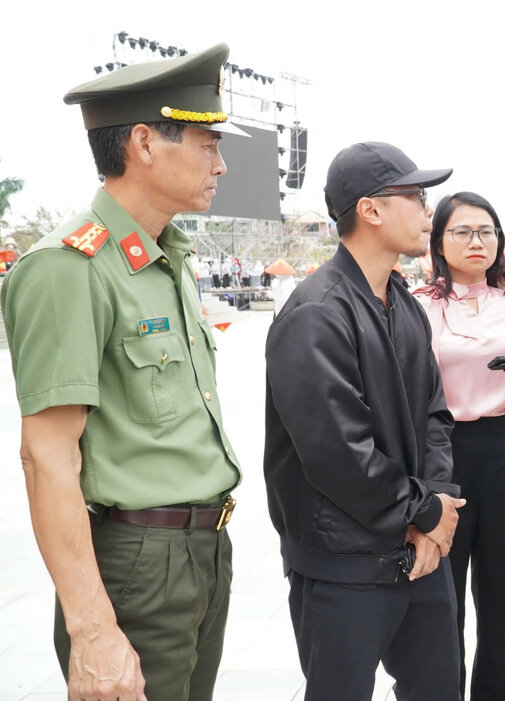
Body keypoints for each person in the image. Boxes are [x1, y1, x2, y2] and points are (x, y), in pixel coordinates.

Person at [0, 44, 245, 701]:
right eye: (205, 140)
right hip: (138, 562)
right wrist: (93, 628)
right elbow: (46, 456)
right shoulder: (68, 268)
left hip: (205, 552)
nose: (220, 163)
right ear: (143, 141)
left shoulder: (170, 259)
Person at [264, 141, 466, 700]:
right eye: (417, 196)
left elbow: (435, 416)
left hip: (420, 551)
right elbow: (336, 452)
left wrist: (438, 510)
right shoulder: (317, 313)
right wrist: (423, 510)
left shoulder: (402, 302)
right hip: (344, 564)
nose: (429, 211)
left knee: (438, 689)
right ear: (371, 210)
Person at [413, 192, 505, 700]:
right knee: (440, 602)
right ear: (439, 241)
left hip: (503, 450)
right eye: (461, 231)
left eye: (486, 231)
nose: (476, 241)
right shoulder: (416, 307)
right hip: (438, 455)